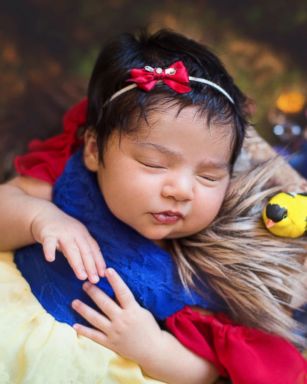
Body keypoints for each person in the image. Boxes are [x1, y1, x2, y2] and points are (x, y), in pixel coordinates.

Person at [0, 29, 306, 384]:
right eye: (154, 164)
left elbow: (208, 371)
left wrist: (152, 347)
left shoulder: (196, 277)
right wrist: (41, 218)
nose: (181, 190)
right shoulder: (65, 181)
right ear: (94, 150)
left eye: (208, 177)